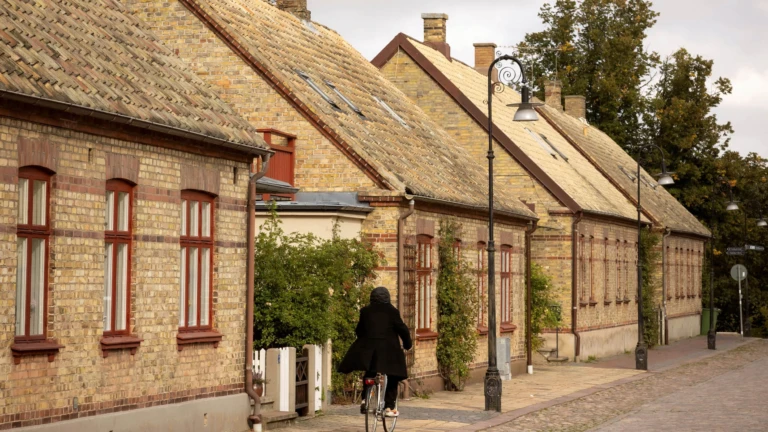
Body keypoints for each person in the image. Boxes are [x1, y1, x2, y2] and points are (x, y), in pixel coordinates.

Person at [338, 287, 412, 418]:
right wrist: (407, 344)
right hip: (388, 350)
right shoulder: (392, 311)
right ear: (387, 298)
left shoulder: (365, 311)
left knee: (370, 371)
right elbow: (403, 330)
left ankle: (365, 399)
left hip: (368, 349)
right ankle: (389, 407)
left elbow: (359, 330)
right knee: (393, 375)